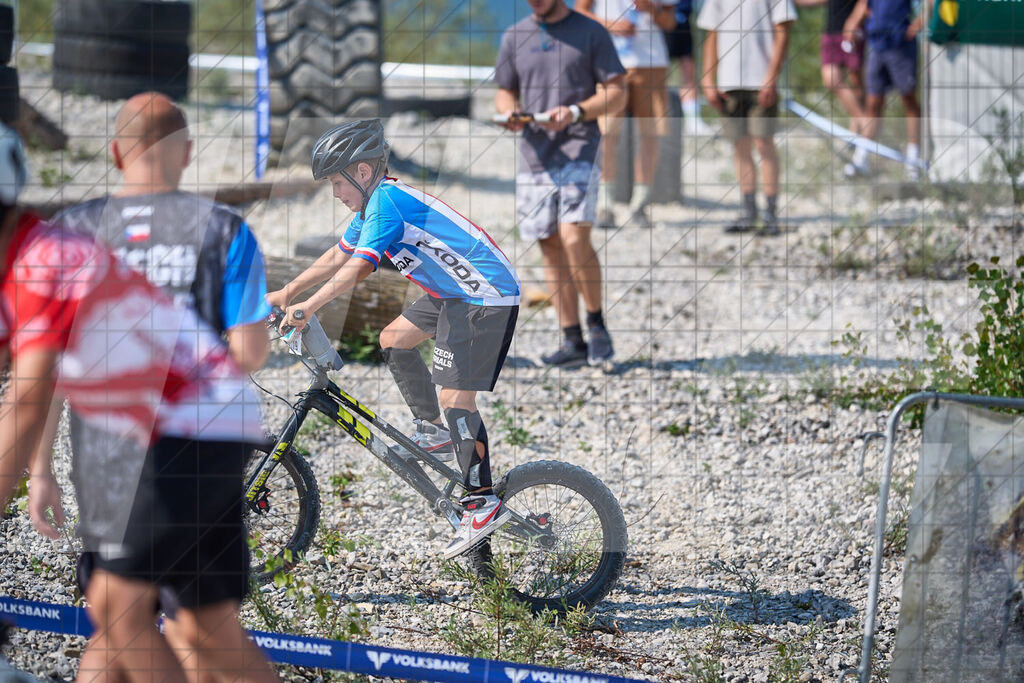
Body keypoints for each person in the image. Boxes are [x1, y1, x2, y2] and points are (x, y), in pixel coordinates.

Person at [0, 124, 277, 681]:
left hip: (180, 426)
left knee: (116, 607)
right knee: (207, 630)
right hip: (208, 418)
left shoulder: (42, 257)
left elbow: (28, 399)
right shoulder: (37, 250)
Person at [266, 120, 521, 559]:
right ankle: (433, 434)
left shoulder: (387, 202)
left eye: (335, 181)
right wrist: (288, 292)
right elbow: (337, 255)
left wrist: (311, 307)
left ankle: (482, 503)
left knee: (458, 399)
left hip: (485, 295)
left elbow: (359, 268)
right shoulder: (374, 206)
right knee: (394, 338)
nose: (334, 193)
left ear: (362, 172)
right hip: (455, 292)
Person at [495, 0, 626, 367]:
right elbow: (505, 89)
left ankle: (597, 324)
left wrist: (577, 112)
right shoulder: (514, 35)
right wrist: (508, 112)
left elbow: (617, 92)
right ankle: (573, 340)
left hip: (579, 150)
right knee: (549, 244)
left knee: (573, 237)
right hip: (535, 155)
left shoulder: (591, 32)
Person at [698, 0, 797, 235]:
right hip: (728, 82)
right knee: (740, 146)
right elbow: (712, 34)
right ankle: (748, 211)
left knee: (764, 144)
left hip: (761, 81)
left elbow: (782, 32)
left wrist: (771, 77)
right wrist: (708, 79)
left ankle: (770, 212)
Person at [576, 0, 677, 229]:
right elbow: (580, 10)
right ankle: (605, 203)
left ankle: (639, 204)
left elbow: (671, 21)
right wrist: (608, 25)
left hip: (651, 62)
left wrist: (652, 9)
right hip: (608, 59)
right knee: (606, 133)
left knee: (650, 135)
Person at [843, 0, 923, 180]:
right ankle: (861, 159)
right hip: (876, 45)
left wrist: (919, 23)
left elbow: (933, 4)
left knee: (909, 100)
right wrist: (853, 22)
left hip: (901, 45)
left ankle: (913, 161)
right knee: (873, 103)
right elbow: (864, 4)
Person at [794, 0, 867, 139]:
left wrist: (854, 21)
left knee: (857, 83)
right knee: (831, 80)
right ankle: (864, 122)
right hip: (831, 33)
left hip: (853, 31)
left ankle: (858, 132)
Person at [663, 0, 713, 137]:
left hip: (683, 22)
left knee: (688, 71)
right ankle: (662, 120)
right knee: (659, 75)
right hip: (659, 24)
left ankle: (693, 121)